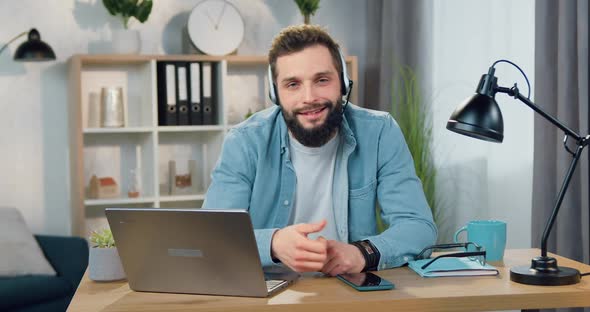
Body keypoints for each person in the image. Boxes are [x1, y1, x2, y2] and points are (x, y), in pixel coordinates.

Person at [203, 24, 436, 276]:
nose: (309, 97)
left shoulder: (380, 132)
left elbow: (418, 226)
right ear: (275, 94)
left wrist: (362, 252)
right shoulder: (244, 142)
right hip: (269, 294)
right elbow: (212, 236)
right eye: (293, 84)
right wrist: (273, 243)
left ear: (343, 84)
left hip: (348, 289)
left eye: (322, 80)